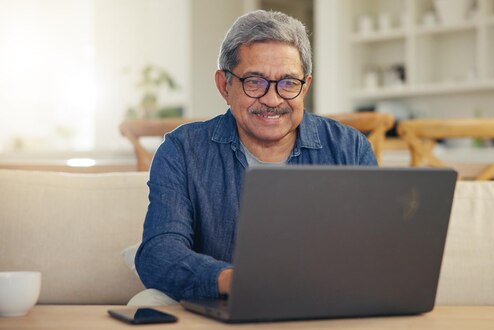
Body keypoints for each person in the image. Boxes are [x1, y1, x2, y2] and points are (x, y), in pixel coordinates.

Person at [132, 10, 377, 305]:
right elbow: (159, 252)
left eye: (288, 82)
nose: (272, 100)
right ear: (225, 86)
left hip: (329, 309)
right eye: (254, 82)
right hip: (224, 308)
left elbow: (375, 251)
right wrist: (231, 280)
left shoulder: (350, 148)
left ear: (306, 86)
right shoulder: (182, 151)